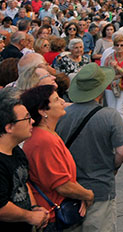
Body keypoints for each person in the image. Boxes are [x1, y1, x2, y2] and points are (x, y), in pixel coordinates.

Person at [55, 63, 123, 232]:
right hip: (100, 187)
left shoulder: (62, 114)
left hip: (70, 188)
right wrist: (113, 166)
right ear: (101, 89)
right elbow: (122, 151)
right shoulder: (110, 116)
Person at [20, 84, 94, 231]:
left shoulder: (47, 134)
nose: (62, 101)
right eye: (56, 99)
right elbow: (62, 185)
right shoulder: (44, 140)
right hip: (53, 215)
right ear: (42, 111)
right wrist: (88, 194)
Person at [0, 92, 49, 231]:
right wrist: (29, 216)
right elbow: (1, 207)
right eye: (27, 118)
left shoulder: (16, 150)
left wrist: (34, 208)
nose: (32, 121)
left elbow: (22, 181)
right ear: (9, 127)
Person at [103, 35, 123, 124]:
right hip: (110, 86)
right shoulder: (109, 57)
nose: (119, 47)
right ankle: (112, 129)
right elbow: (106, 73)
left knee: (120, 109)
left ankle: (120, 130)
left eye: (122, 45)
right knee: (111, 109)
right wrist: (121, 74)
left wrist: (117, 68)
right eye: (117, 45)